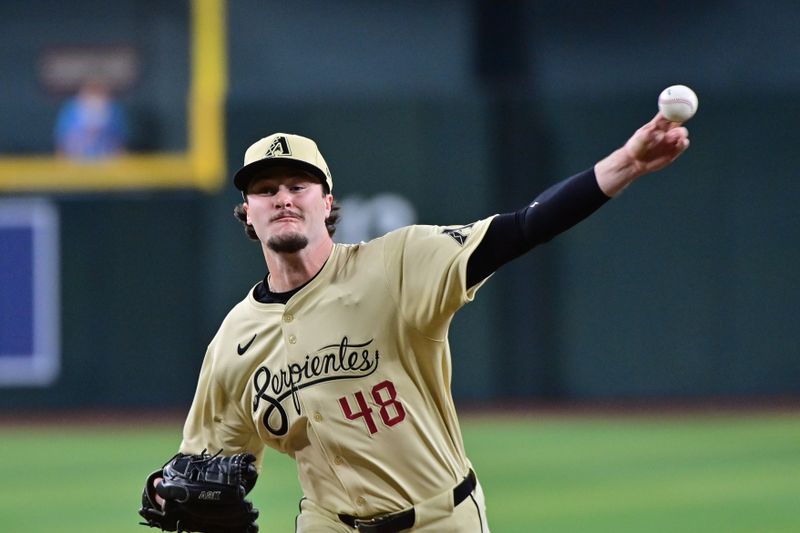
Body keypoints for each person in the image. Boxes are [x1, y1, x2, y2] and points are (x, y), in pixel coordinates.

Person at [142, 112, 689, 532]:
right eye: (265, 190)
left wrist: (627, 163)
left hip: (440, 518)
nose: (282, 199)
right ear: (246, 211)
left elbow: (522, 229)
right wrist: (166, 489)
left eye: (297, 186)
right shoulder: (234, 340)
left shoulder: (397, 264)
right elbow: (208, 463)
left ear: (326, 201)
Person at [54, 79, 128, 159]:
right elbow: (62, 139)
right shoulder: (71, 108)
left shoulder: (113, 110)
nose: (94, 96)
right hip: (76, 159)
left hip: (107, 159)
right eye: (91, 91)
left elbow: (120, 140)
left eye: (98, 91)